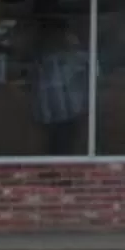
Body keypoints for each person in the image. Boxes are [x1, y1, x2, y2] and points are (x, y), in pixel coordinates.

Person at [34, 22, 89, 155]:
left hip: (67, 112)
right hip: (61, 112)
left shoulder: (76, 58)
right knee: (59, 146)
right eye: (69, 35)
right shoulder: (52, 60)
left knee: (64, 145)